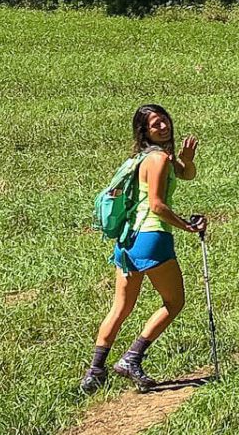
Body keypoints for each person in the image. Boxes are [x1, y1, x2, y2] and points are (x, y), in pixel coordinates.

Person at [81, 103, 206, 395]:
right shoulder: (159, 159)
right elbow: (157, 205)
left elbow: (186, 174)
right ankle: (132, 357)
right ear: (145, 131)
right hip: (153, 238)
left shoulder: (143, 158)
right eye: (155, 125)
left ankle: (95, 371)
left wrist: (187, 159)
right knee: (174, 303)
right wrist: (186, 226)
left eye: (164, 121)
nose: (163, 127)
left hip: (128, 240)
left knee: (121, 307)